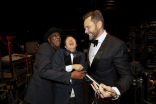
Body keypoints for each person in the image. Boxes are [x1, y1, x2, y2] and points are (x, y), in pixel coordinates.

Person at [82, 10, 134, 104]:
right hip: (92, 96)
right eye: (85, 28)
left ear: (99, 24)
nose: (85, 31)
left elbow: (127, 75)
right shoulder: (91, 41)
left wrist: (114, 92)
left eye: (88, 27)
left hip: (107, 100)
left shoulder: (117, 45)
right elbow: (95, 65)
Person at [24, 28, 86, 104]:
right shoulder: (45, 48)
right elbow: (43, 71)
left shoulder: (57, 51)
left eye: (59, 36)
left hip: (51, 92)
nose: (58, 37)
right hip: (41, 92)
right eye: (54, 36)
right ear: (48, 39)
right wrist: (70, 75)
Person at [52, 35, 87, 104]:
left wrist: (63, 74)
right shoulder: (59, 53)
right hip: (61, 94)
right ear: (65, 46)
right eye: (68, 40)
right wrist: (72, 67)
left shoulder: (82, 55)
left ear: (76, 44)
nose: (71, 40)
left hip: (77, 94)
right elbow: (55, 70)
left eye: (72, 39)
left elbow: (83, 74)